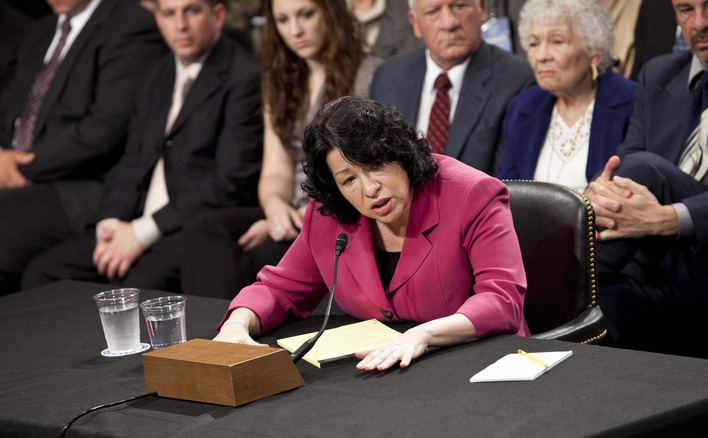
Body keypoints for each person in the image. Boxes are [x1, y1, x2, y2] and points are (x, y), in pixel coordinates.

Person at [215, 96, 530, 371]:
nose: (369, 188)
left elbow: (502, 300)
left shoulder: (472, 195)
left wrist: (423, 334)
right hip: (384, 371)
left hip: (484, 362)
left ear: (402, 153)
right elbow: (280, 289)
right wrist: (237, 324)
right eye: (349, 179)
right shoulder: (330, 214)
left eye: (376, 165)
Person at [585, 0, 708, 366]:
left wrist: (664, 219)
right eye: (685, 9)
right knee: (604, 309)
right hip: (660, 261)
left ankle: (549, 291)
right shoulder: (658, 74)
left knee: (646, 172)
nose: (700, 23)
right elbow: (621, 170)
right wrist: (600, 191)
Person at [20, 0, 262, 292]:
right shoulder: (155, 74)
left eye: (192, 11)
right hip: (133, 222)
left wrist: (142, 232)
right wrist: (112, 222)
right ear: (158, 19)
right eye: (170, 13)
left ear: (218, 15)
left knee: (134, 290)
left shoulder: (245, 76)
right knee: (43, 276)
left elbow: (230, 182)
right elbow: (131, 161)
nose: (180, 24)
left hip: (188, 227)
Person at [179, 0, 381, 299]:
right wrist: (275, 210)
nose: (295, 30)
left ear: (331, 13)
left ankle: (246, 329)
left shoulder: (371, 72)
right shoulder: (279, 78)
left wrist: (297, 218)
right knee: (204, 230)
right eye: (283, 20)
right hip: (290, 206)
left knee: (264, 248)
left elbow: (362, 168)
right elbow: (275, 169)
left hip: (340, 204)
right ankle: (219, 336)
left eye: (306, 15)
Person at [0, 0, 167, 294]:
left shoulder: (131, 24)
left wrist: (21, 166)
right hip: (20, 179)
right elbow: (10, 110)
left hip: (81, 187)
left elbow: (105, 128)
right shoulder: (40, 32)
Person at [369, 0, 534, 175]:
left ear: (482, 9)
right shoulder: (389, 77)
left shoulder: (517, 79)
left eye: (459, 6)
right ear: (415, 23)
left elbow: (507, 182)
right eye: (433, 12)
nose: (449, 23)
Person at [496, 0, 637, 193]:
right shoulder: (522, 107)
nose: (542, 56)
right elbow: (506, 191)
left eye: (557, 42)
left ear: (595, 51)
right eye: (533, 43)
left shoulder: (632, 102)